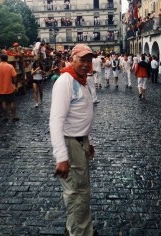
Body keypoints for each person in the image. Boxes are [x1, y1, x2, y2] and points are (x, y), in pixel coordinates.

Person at [49, 43, 98, 236]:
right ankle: (80, 232)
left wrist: (88, 140)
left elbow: (82, 114)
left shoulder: (81, 80)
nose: (86, 64)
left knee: (80, 190)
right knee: (78, 193)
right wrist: (61, 156)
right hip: (71, 144)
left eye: (89, 60)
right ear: (71, 59)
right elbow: (55, 121)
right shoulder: (65, 81)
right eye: (82, 59)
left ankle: (76, 228)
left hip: (80, 142)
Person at [0, 54, 19, 121]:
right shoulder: (10, 66)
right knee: (11, 102)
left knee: (3, 103)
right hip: (9, 87)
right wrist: (16, 85)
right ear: (7, 59)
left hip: (0, 88)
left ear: (0, 59)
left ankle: (5, 117)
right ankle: (14, 116)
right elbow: (15, 77)